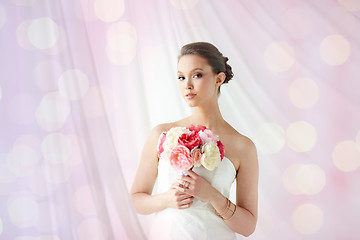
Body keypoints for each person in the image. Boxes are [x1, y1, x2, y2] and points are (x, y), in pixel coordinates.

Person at [131, 42, 258, 240]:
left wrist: (212, 196)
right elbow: (135, 200)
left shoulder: (243, 146)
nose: (187, 85)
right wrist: (166, 199)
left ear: (219, 78)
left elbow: (248, 227)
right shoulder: (162, 134)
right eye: (181, 77)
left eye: (197, 75)